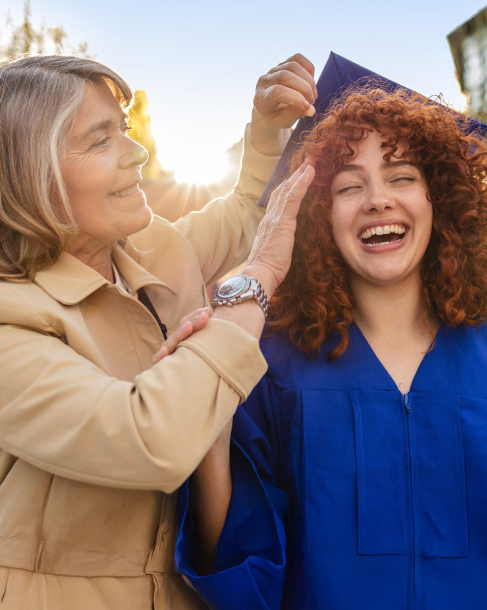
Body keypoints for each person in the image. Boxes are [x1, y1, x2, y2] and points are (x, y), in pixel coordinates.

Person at [0, 52, 317, 609]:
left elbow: (251, 214)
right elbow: (150, 440)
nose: (137, 151)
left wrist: (267, 131)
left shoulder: (159, 247)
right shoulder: (11, 319)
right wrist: (256, 281)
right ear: (31, 172)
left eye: (122, 129)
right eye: (101, 141)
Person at [177, 86, 487, 609]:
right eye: (349, 186)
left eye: (402, 177)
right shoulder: (271, 367)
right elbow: (230, 554)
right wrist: (210, 417)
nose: (378, 199)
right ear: (320, 214)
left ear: (441, 198)